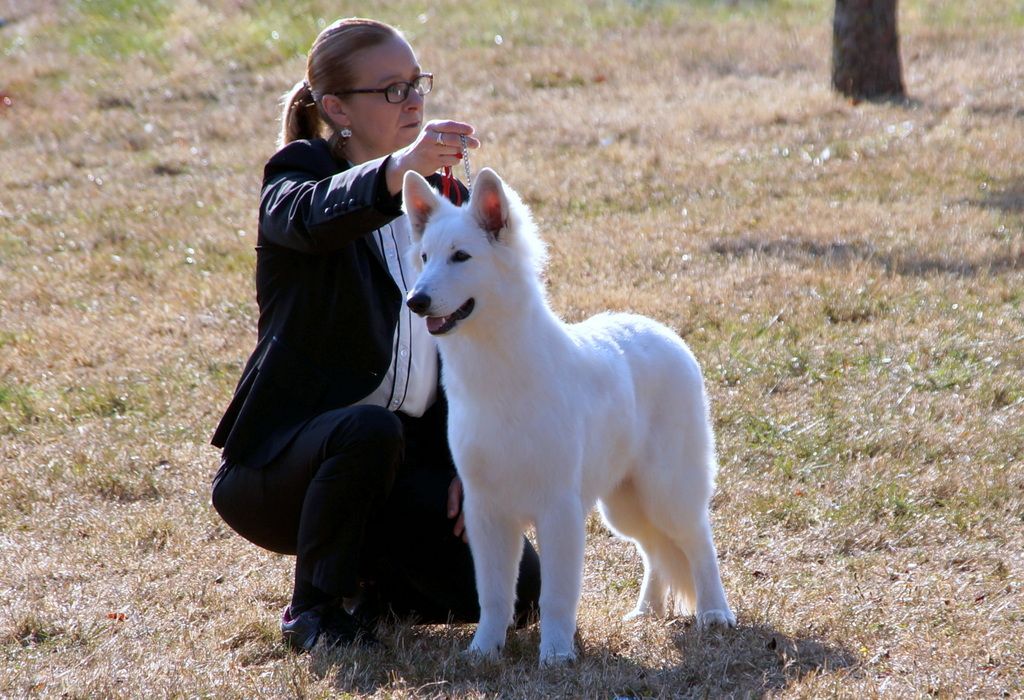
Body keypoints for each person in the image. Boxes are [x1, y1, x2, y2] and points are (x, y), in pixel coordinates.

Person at [209, 17, 541, 652]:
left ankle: (371, 594)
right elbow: (305, 217)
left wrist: (465, 461)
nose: (413, 100)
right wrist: (397, 170)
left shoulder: (445, 198)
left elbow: (485, 343)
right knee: (367, 429)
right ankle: (313, 611)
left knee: (518, 595)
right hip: (280, 471)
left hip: (400, 464)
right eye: (391, 90)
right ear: (336, 108)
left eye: (417, 83)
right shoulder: (299, 172)